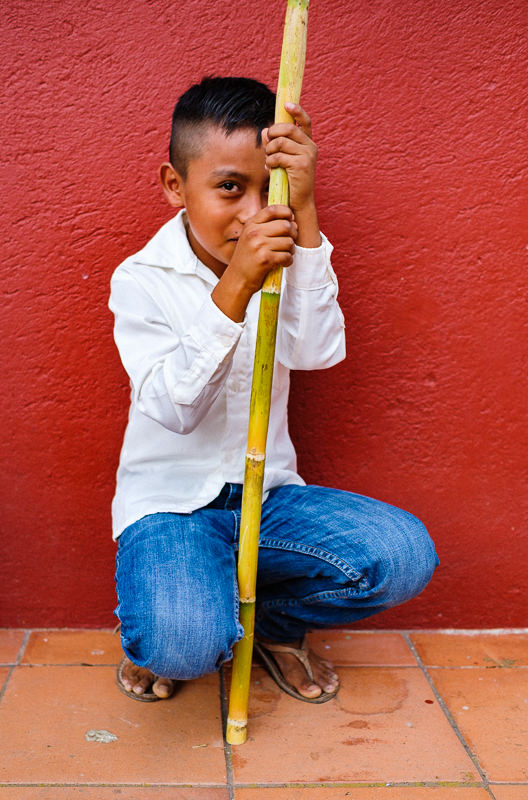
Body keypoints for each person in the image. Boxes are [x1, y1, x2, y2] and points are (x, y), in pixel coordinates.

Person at [109, 76, 438, 704]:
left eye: (272, 190)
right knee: (183, 645)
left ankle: (274, 626)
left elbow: (316, 353)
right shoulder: (141, 279)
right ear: (175, 186)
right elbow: (175, 410)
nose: (256, 212)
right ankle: (172, 622)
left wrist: (306, 213)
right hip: (171, 504)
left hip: (270, 498)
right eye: (230, 187)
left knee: (402, 556)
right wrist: (237, 282)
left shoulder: (289, 253)